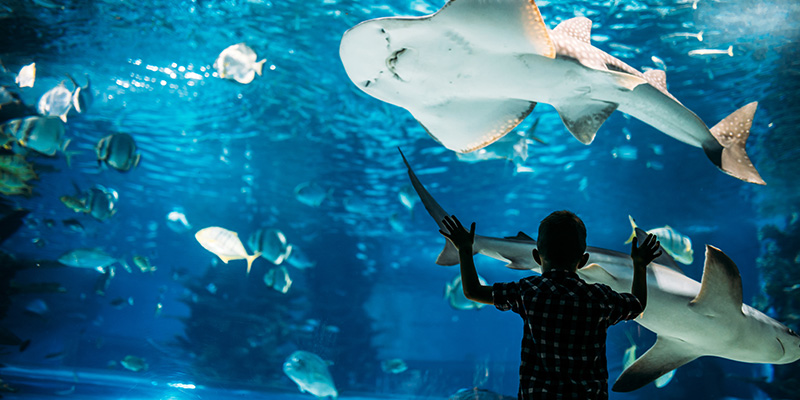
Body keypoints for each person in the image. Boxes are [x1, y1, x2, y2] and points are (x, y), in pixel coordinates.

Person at [440, 211, 661, 400]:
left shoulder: (529, 292)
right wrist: (640, 264)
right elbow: (638, 305)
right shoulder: (598, 298)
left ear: (537, 256)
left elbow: (473, 291)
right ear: (583, 261)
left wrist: (464, 249)